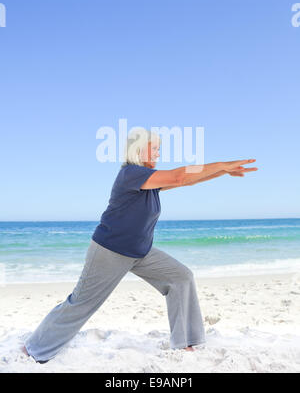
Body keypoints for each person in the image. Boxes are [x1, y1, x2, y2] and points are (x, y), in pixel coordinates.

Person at [22, 128, 257, 363]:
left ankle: (185, 341)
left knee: (181, 277)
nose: (157, 153)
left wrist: (223, 172)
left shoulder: (150, 181)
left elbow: (187, 181)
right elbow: (180, 176)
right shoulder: (131, 174)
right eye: (153, 148)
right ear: (138, 149)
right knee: (81, 303)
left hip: (141, 252)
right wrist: (223, 164)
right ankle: (35, 348)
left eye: (158, 149)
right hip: (110, 251)